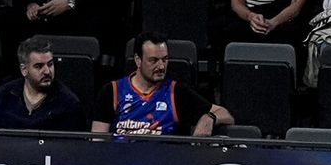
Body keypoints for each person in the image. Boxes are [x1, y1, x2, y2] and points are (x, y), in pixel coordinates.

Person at [91, 32, 233, 136]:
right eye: (153, 60)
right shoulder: (112, 91)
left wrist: (209, 118)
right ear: (138, 60)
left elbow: (226, 115)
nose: (161, 66)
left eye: (164, 59)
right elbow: (97, 141)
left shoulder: (176, 92)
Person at [0, 37, 89, 132]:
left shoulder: (68, 103)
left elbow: (76, 149)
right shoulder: (3, 96)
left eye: (50, 64)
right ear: (24, 70)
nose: (47, 71)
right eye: (39, 66)